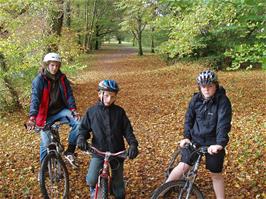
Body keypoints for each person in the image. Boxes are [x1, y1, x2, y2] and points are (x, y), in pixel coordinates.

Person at [166, 69, 232, 199]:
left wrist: (219, 143)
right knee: (183, 166)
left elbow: (223, 124)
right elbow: (189, 119)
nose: (206, 89)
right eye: (203, 86)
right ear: (199, 87)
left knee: (216, 174)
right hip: (195, 139)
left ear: (216, 86)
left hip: (213, 142)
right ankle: (164, 189)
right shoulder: (195, 99)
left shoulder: (223, 101)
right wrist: (186, 137)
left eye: (210, 86)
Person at [77, 80, 139, 199]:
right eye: (106, 95)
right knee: (91, 179)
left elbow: (128, 131)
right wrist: (81, 138)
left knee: (118, 186)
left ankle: (116, 192)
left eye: (112, 96)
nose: (109, 99)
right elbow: (83, 129)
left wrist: (133, 145)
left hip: (117, 152)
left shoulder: (119, 112)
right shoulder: (92, 112)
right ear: (100, 94)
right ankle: (94, 188)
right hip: (98, 151)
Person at [26, 52, 80, 169]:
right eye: (52, 65)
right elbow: (35, 99)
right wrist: (32, 117)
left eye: (56, 65)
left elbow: (69, 95)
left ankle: (69, 151)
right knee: (45, 143)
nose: (54, 68)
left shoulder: (62, 78)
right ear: (47, 65)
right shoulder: (39, 80)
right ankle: (44, 168)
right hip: (45, 115)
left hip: (60, 111)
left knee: (79, 122)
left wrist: (73, 109)